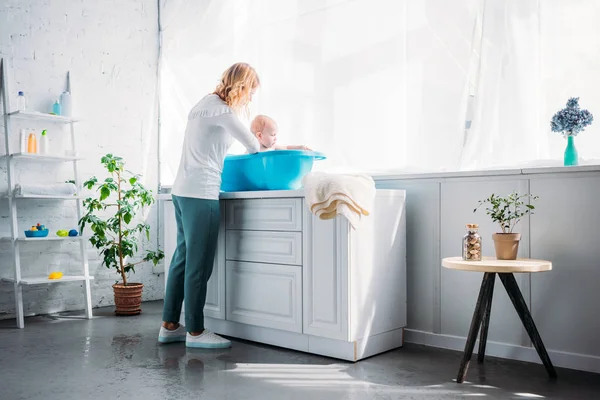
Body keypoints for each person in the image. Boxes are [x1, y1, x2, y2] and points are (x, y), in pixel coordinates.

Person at [158, 62, 261, 348]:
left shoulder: (203, 104)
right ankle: (195, 331)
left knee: (182, 259)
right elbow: (253, 144)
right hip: (201, 194)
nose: (250, 98)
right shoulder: (223, 111)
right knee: (199, 265)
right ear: (241, 86)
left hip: (182, 191)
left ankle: (169, 325)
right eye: (251, 91)